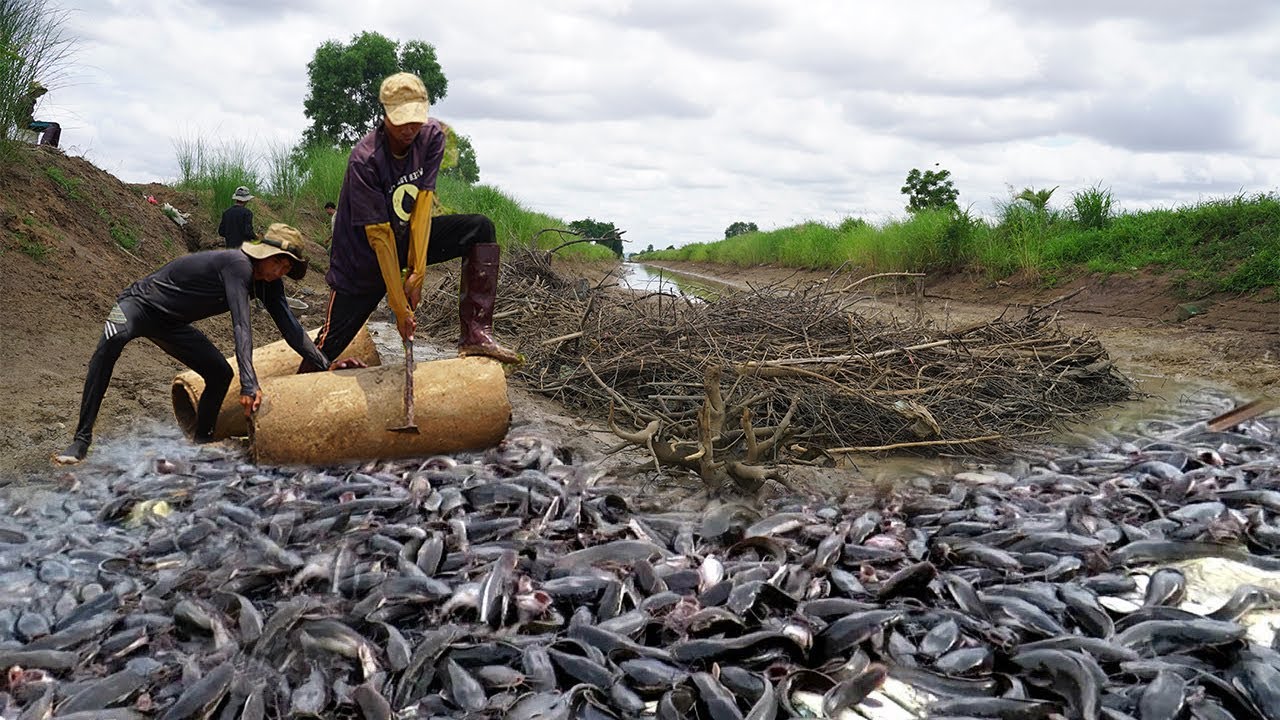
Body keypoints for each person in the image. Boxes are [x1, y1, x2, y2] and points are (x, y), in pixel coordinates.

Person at [53, 224, 365, 465]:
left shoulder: (270, 285)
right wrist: (249, 385)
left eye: (287, 269)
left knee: (218, 374)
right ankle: (81, 441)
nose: (280, 273)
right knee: (110, 344)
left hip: (171, 324)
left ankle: (200, 441)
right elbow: (241, 325)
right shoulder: (237, 264)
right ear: (266, 254)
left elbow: (293, 332)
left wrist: (326, 365)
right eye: (280, 264)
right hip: (137, 303)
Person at [299, 71, 519, 373]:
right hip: (361, 263)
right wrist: (400, 307)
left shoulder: (431, 137)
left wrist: (417, 271)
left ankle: (475, 335)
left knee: (480, 229)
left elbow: (421, 208)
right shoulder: (365, 160)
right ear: (386, 114)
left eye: (416, 119)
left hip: (402, 242)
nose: (409, 128)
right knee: (323, 353)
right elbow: (380, 238)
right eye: (401, 120)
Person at [19, 81, 60, 148]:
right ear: (34, 91)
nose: (40, 94)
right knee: (52, 126)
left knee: (56, 126)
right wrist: (28, 121)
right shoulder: (25, 99)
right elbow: (21, 115)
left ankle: (53, 147)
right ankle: (44, 146)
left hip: (29, 122)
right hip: (26, 124)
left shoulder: (31, 99)